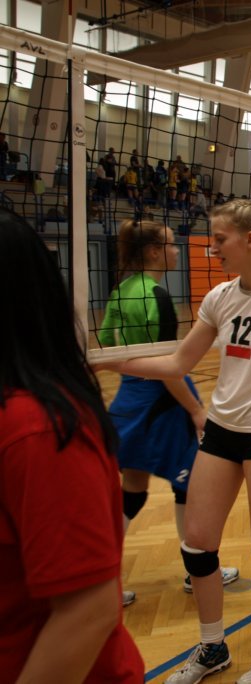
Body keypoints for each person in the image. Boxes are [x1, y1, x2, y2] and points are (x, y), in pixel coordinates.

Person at [101, 200, 251, 683]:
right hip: (221, 432)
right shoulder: (220, 296)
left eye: (219, 239)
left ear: (249, 240)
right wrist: (108, 361)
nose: (210, 248)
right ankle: (212, 646)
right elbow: (177, 363)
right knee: (197, 546)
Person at [0, 208, 145, 682]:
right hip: (139, 401)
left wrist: (193, 408)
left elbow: (87, 613)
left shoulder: (36, 429)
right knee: (139, 490)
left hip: (149, 403)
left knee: (154, 491)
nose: (214, 247)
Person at [97, 219, 239, 605]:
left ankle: (102, 581)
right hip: (162, 403)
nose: (177, 251)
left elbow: (105, 345)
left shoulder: (121, 289)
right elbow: (170, 367)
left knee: (132, 491)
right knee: (189, 484)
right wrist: (195, 410)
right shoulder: (156, 295)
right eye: (172, 244)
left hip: (127, 402)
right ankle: (197, 572)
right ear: (154, 251)